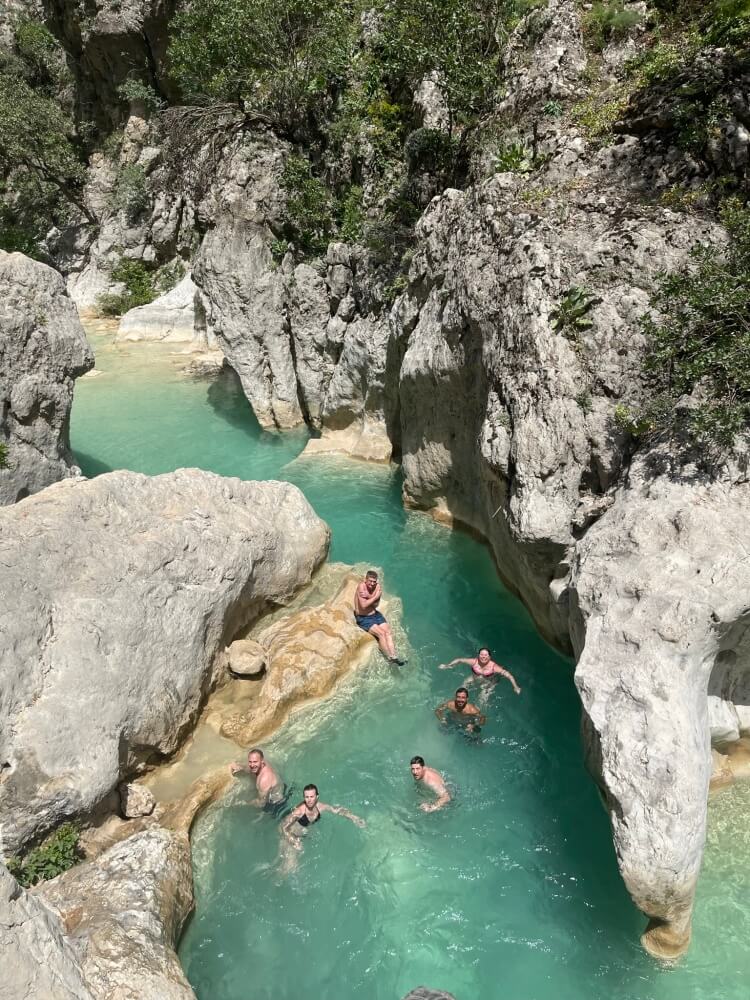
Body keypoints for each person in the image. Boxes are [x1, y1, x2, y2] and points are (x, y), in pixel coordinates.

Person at [279, 784, 366, 873]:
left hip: (304, 833)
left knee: (297, 868)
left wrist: (354, 818)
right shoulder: (299, 811)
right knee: (290, 867)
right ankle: (278, 881)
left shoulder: (321, 807)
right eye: (306, 797)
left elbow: (337, 810)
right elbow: (283, 827)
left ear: (317, 797)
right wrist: (293, 840)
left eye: (312, 797)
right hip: (291, 835)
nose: (309, 800)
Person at [354, 569, 405, 665]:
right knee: (381, 634)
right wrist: (375, 596)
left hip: (375, 614)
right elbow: (363, 606)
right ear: (366, 580)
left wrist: (371, 597)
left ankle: (394, 656)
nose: (372, 584)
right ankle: (389, 658)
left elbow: (375, 605)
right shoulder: (361, 587)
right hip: (363, 617)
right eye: (370, 581)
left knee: (388, 632)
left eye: (374, 581)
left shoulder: (377, 587)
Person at [439, 646, 521, 695]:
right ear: (478, 655)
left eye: (486, 655)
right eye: (481, 654)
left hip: (489, 682)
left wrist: (515, 687)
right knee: (462, 687)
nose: (483, 657)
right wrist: (448, 666)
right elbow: (459, 660)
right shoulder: (474, 661)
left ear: (489, 657)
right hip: (474, 678)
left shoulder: (494, 667)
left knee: (483, 698)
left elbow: (509, 675)